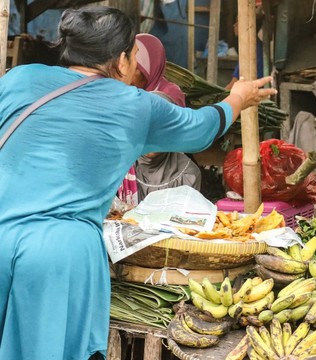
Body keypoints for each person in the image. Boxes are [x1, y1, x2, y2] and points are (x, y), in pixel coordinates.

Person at [0, 6, 276, 359]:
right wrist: (238, 97)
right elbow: (201, 128)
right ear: (120, 59)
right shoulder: (134, 105)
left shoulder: (18, 79)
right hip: (58, 255)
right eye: (133, 54)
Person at [127, 33, 201, 203]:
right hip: (139, 167)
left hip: (167, 168)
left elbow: (158, 144)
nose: (130, 74)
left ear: (149, 68)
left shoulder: (169, 95)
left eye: (137, 68)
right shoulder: (128, 94)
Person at [224, 13, 264, 90]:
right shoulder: (258, 46)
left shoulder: (249, 50)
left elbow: (232, 86)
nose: (234, 25)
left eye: (237, 22)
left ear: (247, 26)